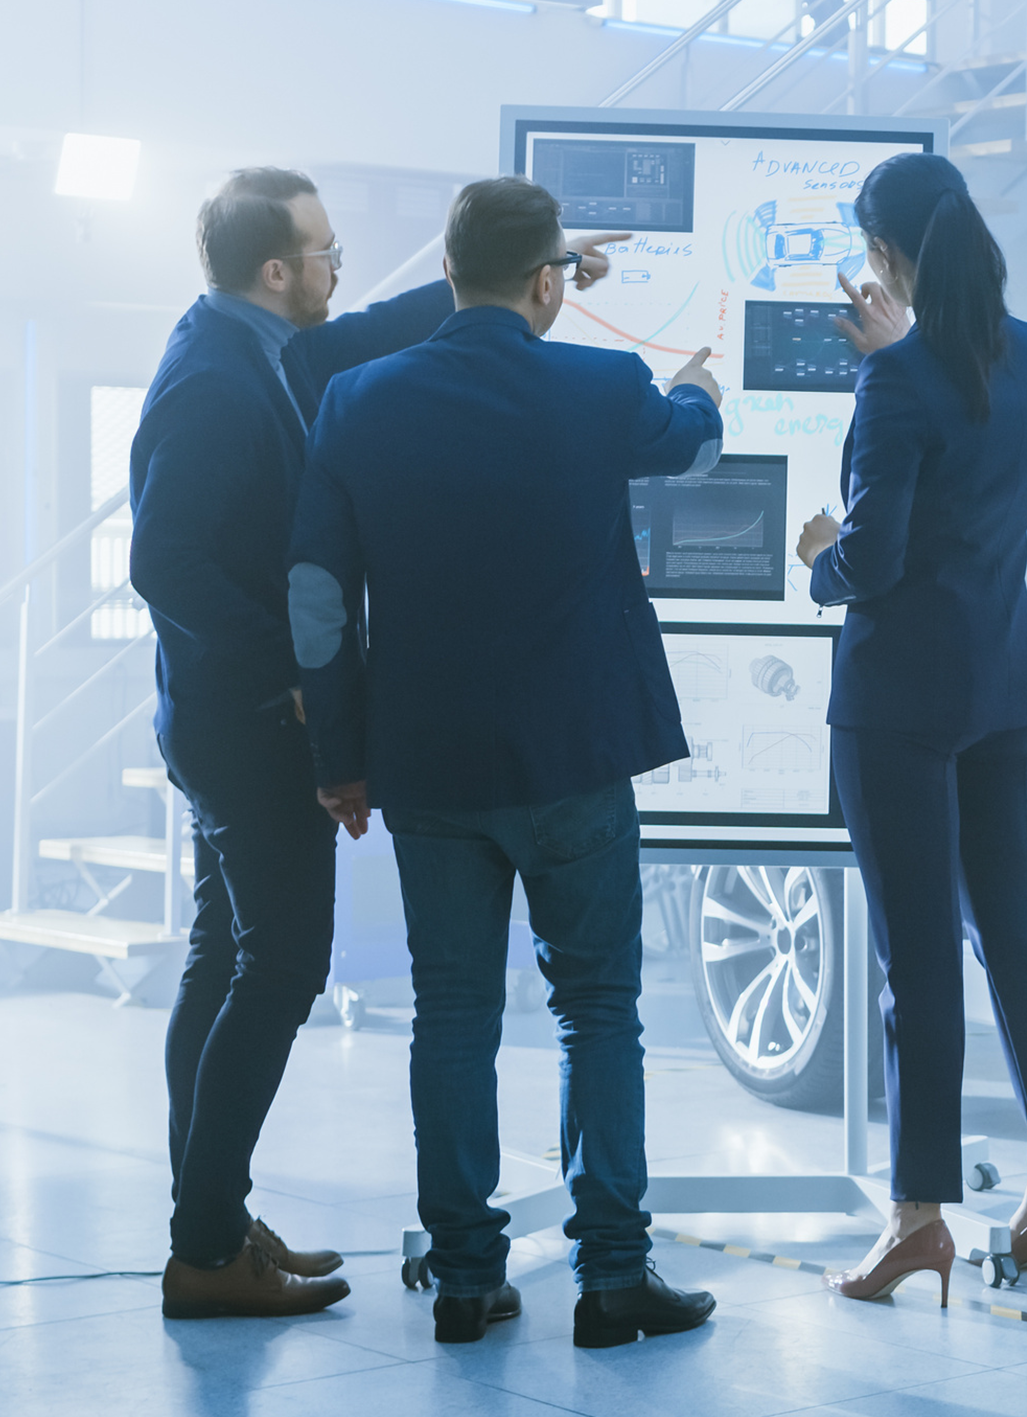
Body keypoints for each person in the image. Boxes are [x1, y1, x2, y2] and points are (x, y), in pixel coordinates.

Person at [132, 166, 628, 1320]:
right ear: (275, 269)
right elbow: (166, 562)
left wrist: (509, 281)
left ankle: (208, 1220)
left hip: (221, 716)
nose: (338, 264)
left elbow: (364, 331)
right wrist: (297, 677)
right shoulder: (214, 378)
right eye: (324, 249)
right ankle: (205, 1248)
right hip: (247, 723)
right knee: (281, 963)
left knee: (224, 960)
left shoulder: (252, 343)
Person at [287, 175, 722, 1348]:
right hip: (577, 754)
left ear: (444, 272)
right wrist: (699, 392)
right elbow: (683, 443)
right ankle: (614, 1277)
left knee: (454, 1015)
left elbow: (319, 599)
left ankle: (471, 1277)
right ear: (549, 284)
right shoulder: (601, 384)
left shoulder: (357, 400)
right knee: (599, 1010)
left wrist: (341, 755)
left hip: (426, 767)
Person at [795, 152, 1027, 1304]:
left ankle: (917, 1216)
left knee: (914, 959)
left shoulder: (899, 381)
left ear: (883, 257)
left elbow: (870, 561)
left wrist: (822, 555)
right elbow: (971, 437)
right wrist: (903, 353)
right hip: (999, 689)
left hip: (899, 704)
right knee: (1015, 937)